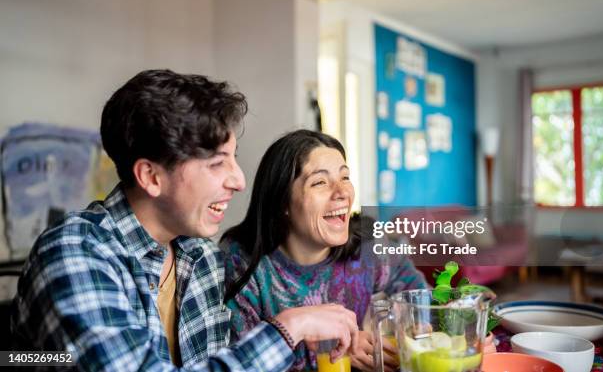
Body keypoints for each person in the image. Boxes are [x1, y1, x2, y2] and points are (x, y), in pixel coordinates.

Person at [10, 70, 358, 371]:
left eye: (233, 159)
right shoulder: (75, 254)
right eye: (216, 163)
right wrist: (287, 329)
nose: (238, 180)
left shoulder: (200, 256)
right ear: (151, 177)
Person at [222, 130, 427, 372]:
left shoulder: (367, 247)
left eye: (345, 177)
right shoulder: (242, 263)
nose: (341, 192)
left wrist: (422, 330)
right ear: (282, 202)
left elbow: (418, 295)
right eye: (319, 182)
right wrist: (342, 348)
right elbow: (240, 363)